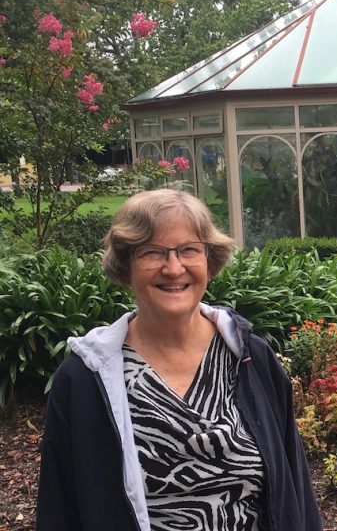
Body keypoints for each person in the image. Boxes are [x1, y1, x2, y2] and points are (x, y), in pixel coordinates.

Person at [37, 189, 322, 531]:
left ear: (208, 259)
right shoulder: (85, 380)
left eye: (189, 250)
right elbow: (60, 507)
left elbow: (294, 485)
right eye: (152, 252)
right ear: (126, 265)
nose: (174, 268)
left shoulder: (250, 358)